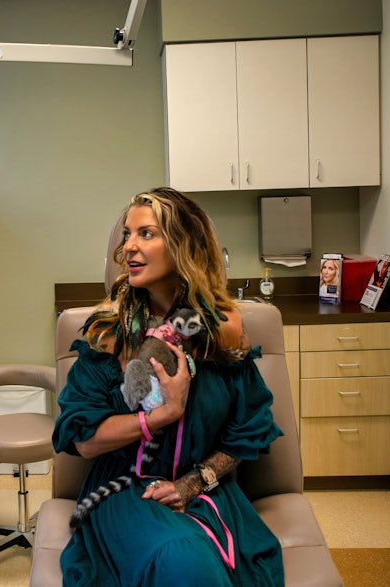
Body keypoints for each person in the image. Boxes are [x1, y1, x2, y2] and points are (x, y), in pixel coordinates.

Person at [53, 187, 284, 586]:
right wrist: (164, 414)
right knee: (183, 561)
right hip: (126, 492)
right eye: (127, 235)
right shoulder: (109, 331)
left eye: (146, 234)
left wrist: (192, 484)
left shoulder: (221, 329)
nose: (129, 247)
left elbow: (246, 432)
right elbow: (84, 439)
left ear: (183, 245)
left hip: (204, 491)